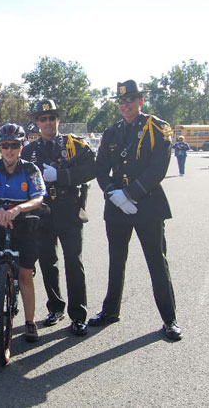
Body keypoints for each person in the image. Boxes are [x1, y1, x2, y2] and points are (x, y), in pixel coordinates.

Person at [89, 80, 182, 341]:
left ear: (140, 101)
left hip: (148, 203)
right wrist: (115, 195)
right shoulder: (111, 132)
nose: (125, 105)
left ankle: (169, 319)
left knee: (156, 262)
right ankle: (110, 310)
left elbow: (158, 169)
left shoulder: (157, 127)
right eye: (121, 101)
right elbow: (100, 170)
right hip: (117, 205)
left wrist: (130, 193)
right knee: (116, 261)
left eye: (130, 100)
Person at [21, 99, 96, 336]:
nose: (47, 123)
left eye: (51, 118)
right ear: (37, 122)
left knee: (74, 263)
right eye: (43, 119)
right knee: (47, 262)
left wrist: (61, 176)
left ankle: (79, 315)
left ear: (58, 120)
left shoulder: (74, 145)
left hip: (69, 210)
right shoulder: (29, 151)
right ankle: (55, 307)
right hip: (42, 213)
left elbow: (91, 169)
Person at [0, 123, 46, 343]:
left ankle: (30, 322)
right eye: (5, 145)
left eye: (14, 145)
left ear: (21, 146)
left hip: (23, 225)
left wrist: (18, 209)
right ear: (0, 147)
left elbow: (38, 198)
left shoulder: (31, 170)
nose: (9, 150)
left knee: (25, 276)